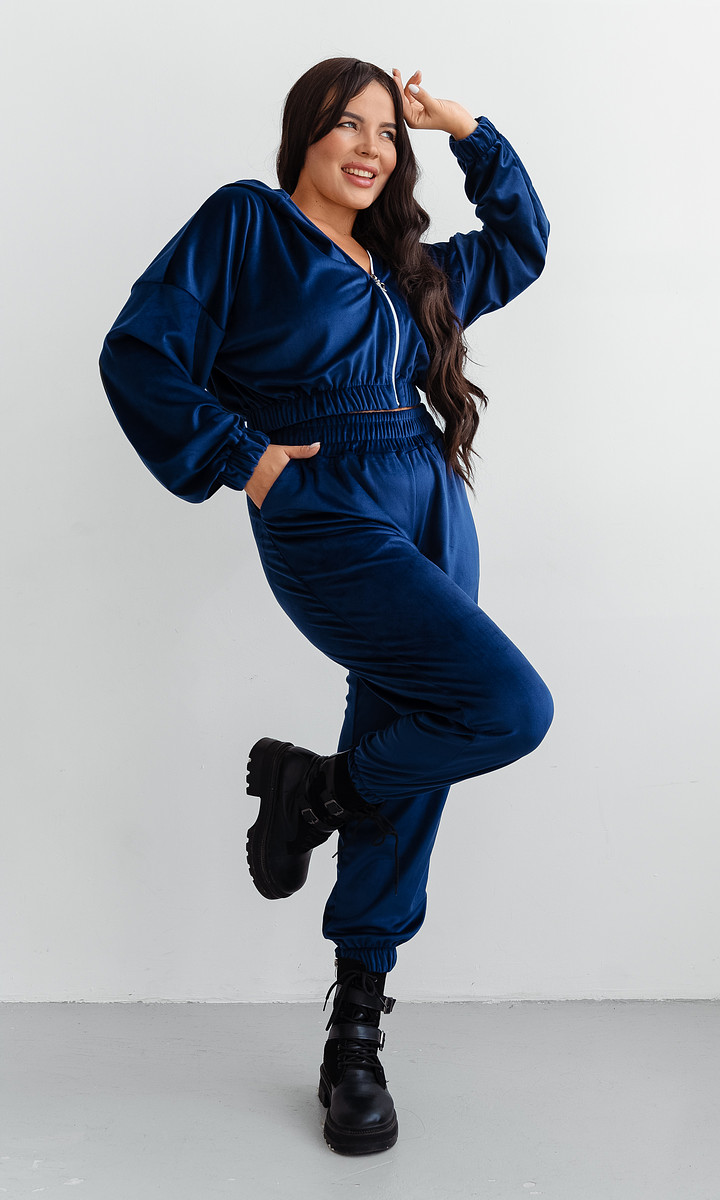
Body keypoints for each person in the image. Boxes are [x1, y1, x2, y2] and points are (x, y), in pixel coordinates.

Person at [99, 58, 553, 1156]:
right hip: (325, 501)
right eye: (349, 125)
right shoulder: (247, 225)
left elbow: (523, 243)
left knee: (415, 737)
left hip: (430, 498)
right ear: (304, 133)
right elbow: (138, 352)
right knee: (508, 707)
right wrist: (244, 458)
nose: (372, 147)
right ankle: (319, 790)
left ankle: (355, 1030)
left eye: (389, 133)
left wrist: (464, 126)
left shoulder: (407, 269)